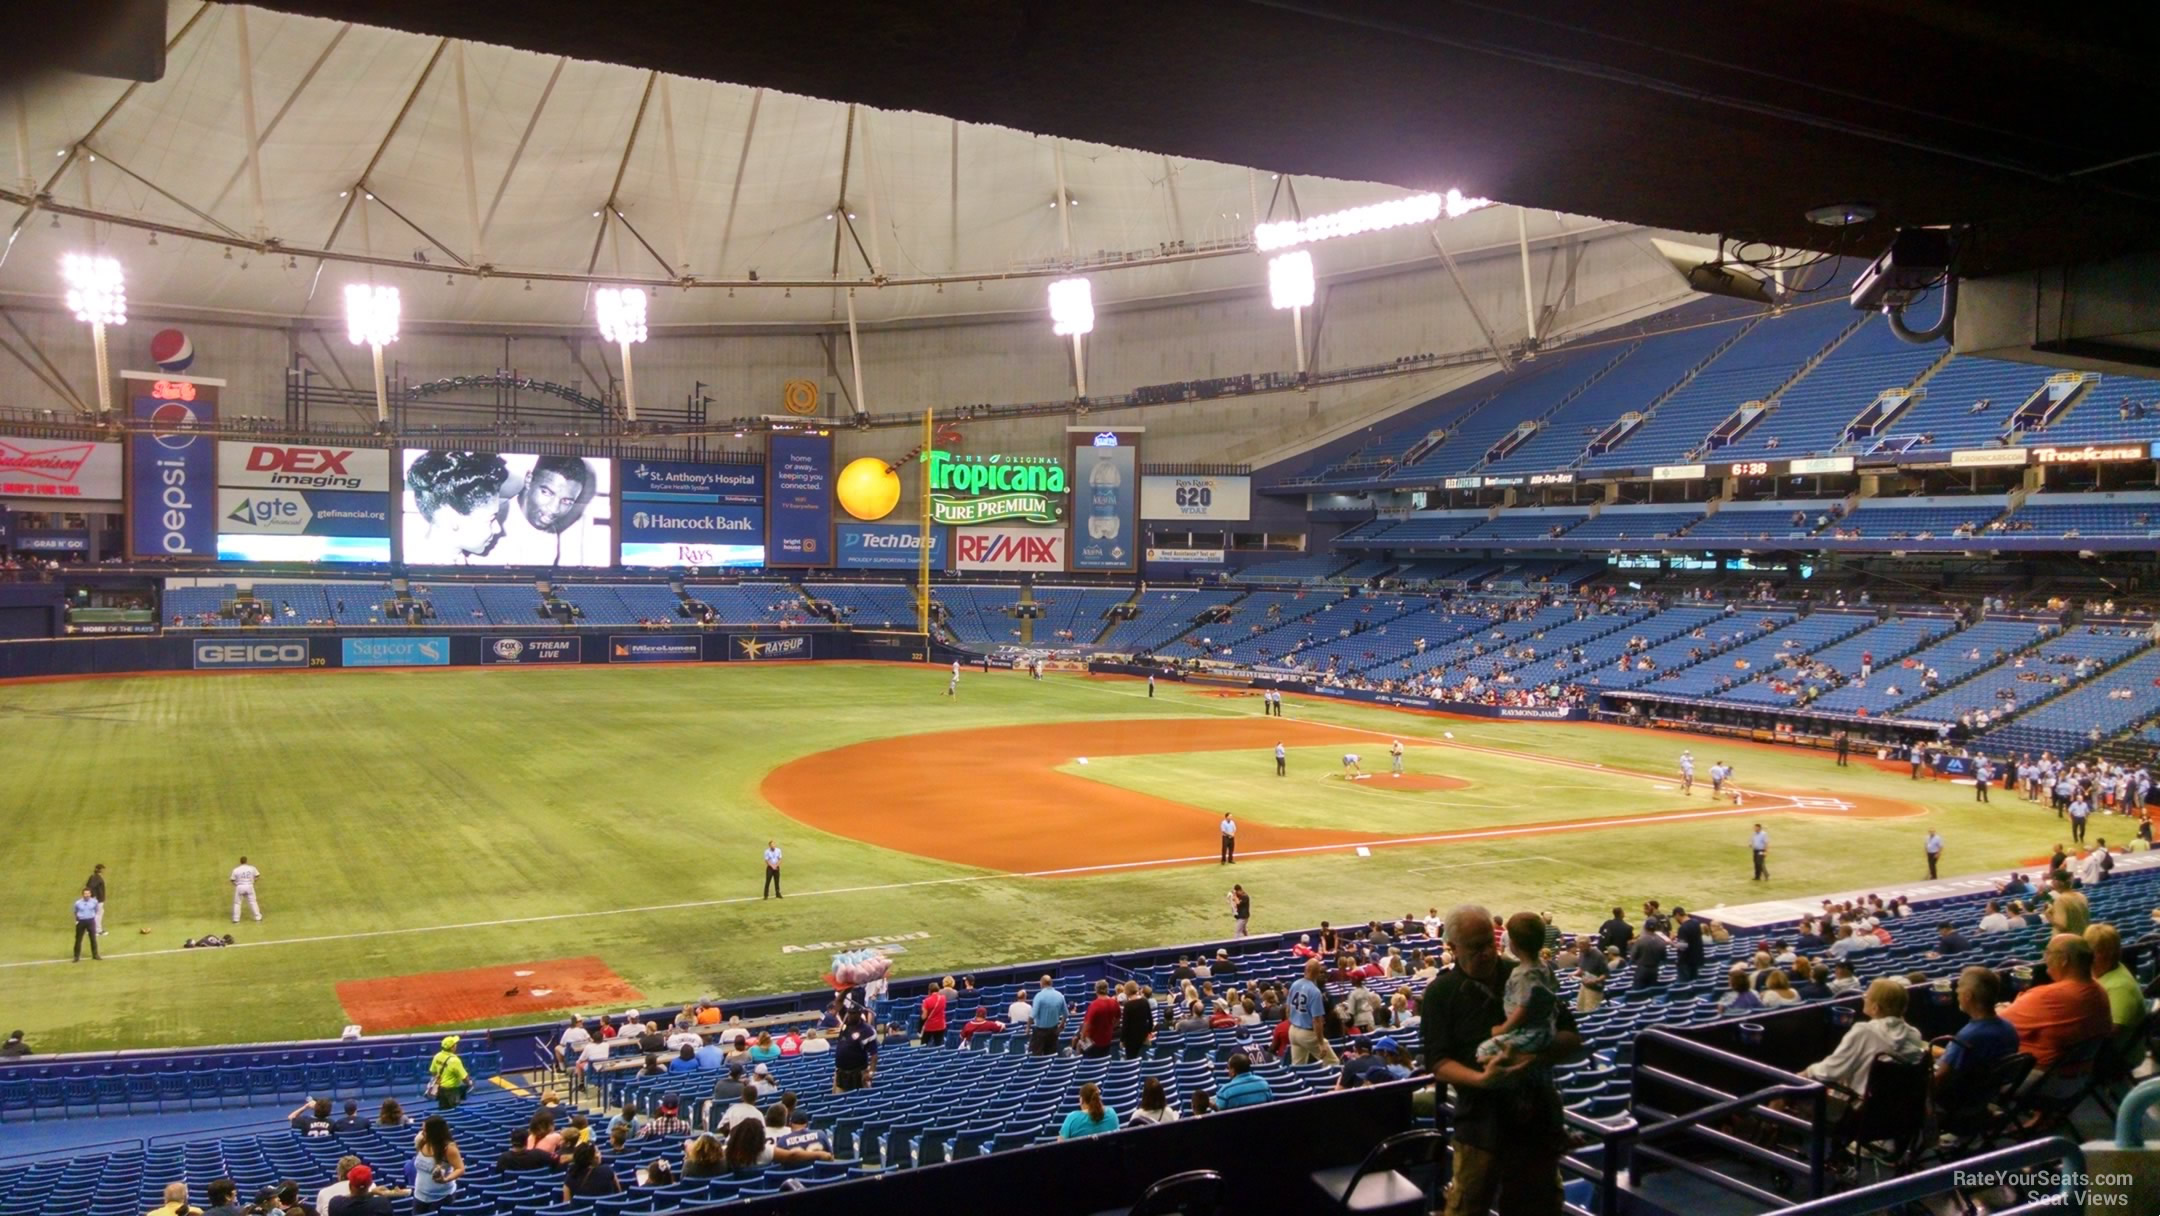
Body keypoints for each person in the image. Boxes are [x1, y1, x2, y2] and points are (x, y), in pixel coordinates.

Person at [1423, 904, 1582, 1216]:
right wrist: (1483, 1079)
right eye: (1475, 947)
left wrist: (1533, 1056)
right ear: (1452, 947)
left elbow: (1570, 1035)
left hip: (1535, 1124)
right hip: (1479, 1126)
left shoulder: (1525, 974)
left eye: (1489, 943)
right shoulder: (1440, 993)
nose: (1486, 952)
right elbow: (1438, 1063)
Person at [1801, 979, 1926, 1114]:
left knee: (1786, 1090)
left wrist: (1807, 1072)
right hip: (1898, 1115)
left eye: (1867, 996)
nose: (1863, 997)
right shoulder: (1914, 1035)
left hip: (1857, 1114)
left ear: (1875, 1008)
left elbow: (1830, 1072)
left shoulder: (1864, 1031)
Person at [1998, 933, 2113, 1072]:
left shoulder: (2048, 997)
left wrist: (2000, 1008)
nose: (2044, 958)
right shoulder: (2100, 990)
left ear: (2064, 959)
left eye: (2048, 952)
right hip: (2080, 1075)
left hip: (2041, 1076)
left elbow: (1997, 1024)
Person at [1476, 913, 1558, 1070]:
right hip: (1547, 1026)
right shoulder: (1543, 965)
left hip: (1530, 1031)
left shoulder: (1524, 975)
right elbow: (1554, 989)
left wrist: (1503, 1029)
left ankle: (1510, 1069)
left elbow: (1523, 1009)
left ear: (1514, 944)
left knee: (1483, 1050)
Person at [496, 455, 601, 566]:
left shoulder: (550, 538)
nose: (554, 509)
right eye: (547, 492)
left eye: (566, 501)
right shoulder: (491, 524)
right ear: (528, 480)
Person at [1935, 966, 2018, 1101]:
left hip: (1961, 1101)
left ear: (1968, 995)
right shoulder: (2009, 1028)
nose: (1956, 991)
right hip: (1986, 1096)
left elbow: (1940, 1078)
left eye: (1959, 987)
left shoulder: (1969, 1036)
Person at [1287, 957, 1340, 1066]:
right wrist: (1320, 1043)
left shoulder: (1295, 984)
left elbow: (1288, 1009)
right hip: (1307, 1033)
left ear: (1305, 970)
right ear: (1317, 973)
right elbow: (1317, 1020)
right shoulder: (1315, 992)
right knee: (1334, 1063)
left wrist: (1293, 1022)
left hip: (1293, 1030)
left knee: (1298, 1065)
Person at [410, 1117, 465, 1213]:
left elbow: (460, 1168)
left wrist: (445, 1179)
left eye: (425, 1131)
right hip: (419, 1196)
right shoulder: (421, 1140)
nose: (422, 1133)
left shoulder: (449, 1148)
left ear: (434, 1133)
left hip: (441, 1198)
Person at [833, 1009, 876, 1090]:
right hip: (841, 1072)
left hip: (859, 1073)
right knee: (838, 1099)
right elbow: (838, 1004)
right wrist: (843, 995)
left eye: (853, 1013)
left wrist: (871, 1072)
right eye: (849, 1013)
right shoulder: (846, 1024)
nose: (850, 1015)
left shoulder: (866, 1030)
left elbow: (874, 1054)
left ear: (859, 1015)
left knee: (860, 1098)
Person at [1077, 980, 1120, 1058]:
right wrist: (1109, 1027)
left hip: (1093, 1042)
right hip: (1108, 1039)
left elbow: (1087, 1024)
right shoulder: (1114, 1003)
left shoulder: (1094, 1005)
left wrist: (1082, 1038)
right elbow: (1117, 1021)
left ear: (1096, 990)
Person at [1028, 975, 1068, 1056]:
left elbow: (1032, 1015)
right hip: (1053, 1030)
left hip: (1040, 1031)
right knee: (1051, 1055)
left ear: (1042, 984)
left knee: (1036, 1056)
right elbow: (1066, 1014)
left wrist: (1027, 1027)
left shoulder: (1039, 996)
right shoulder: (1060, 995)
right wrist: (1061, 1025)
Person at [323, 1168, 391, 1216]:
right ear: (370, 1184)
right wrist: (371, 1193)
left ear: (349, 1185)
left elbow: (352, 1199)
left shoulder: (335, 1204)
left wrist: (370, 1193)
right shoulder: (382, 1204)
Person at [427, 1037, 469, 1109]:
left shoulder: (437, 1056)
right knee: (455, 1111)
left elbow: (433, 1072)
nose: (456, 1045)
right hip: (452, 1091)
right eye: (455, 1044)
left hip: (441, 1089)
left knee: (443, 1111)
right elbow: (465, 1078)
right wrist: (469, 1084)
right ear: (452, 1048)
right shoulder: (455, 1060)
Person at [1673, 907, 1704, 983]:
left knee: (1683, 984)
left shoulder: (1683, 928)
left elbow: (1683, 947)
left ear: (1677, 915)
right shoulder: (1696, 922)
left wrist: (1673, 944)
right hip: (1697, 958)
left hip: (1686, 962)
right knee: (1693, 982)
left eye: (1675, 917)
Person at [230, 856, 263, 923]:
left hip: (240, 886)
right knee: (253, 902)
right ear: (246, 861)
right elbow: (257, 875)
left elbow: (232, 880)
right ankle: (258, 917)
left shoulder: (236, 870)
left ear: (240, 862)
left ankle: (236, 919)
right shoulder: (251, 868)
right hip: (249, 886)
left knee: (237, 903)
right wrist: (253, 882)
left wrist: (236, 885)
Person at [72, 887, 101, 962]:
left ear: (90, 894)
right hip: (81, 922)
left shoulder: (94, 902)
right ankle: (76, 956)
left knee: (93, 939)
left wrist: (91, 916)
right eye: (85, 894)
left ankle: (95, 955)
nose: (87, 895)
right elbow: (75, 912)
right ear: (82, 895)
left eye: (88, 893)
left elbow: (96, 910)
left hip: (90, 921)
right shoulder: (78, 903)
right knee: (78, 939)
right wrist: (78, 919)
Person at [920, 982, 949, 1047]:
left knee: (923, 1044)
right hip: (941, 1025)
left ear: (929, 990)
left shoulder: (926, 1001)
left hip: (929, 1026)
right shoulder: (943, 998)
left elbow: (924, 1016)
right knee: (938, 1044)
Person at [85, 863, 107, 936]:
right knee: (98, 914)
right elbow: (90, 887)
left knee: (96, 913)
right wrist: (94, 896)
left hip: (96, 899)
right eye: (103, 869)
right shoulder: (96, 878)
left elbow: (88, 886)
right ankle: (97, 930)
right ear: (100, 870)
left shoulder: (93, 877)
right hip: (98, 900)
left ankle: (91, 930)